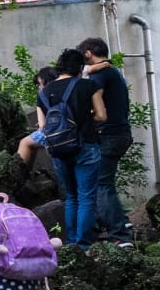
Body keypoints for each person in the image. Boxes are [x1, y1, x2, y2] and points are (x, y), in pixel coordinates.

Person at [36, 48, 106, 248]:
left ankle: (71, 242)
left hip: (58, 150)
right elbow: (101, 116)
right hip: (86, 146)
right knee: (86, 196)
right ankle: (84, 245)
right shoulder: (88, 86)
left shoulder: (45, 92)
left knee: (71, 196)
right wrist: (84, 122)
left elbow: (42, 127)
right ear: (79, 67)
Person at [78, 37, 134, 247]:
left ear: (88, 53)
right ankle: (121, 222)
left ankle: (119, 234)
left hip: (109, 135)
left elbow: (95, 104)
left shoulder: (101, 75)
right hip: (120, 133)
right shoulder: (111, 71)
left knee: (101, 184)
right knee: (104, 182)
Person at [16, 67, 58, 166]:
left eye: (39, 84)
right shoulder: (66, 88)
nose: (39, 87)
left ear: (43, 80)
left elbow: (42, 125)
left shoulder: (42, 94)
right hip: (74, 130)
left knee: (25, 142)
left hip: (54, 133)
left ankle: (20, 173)